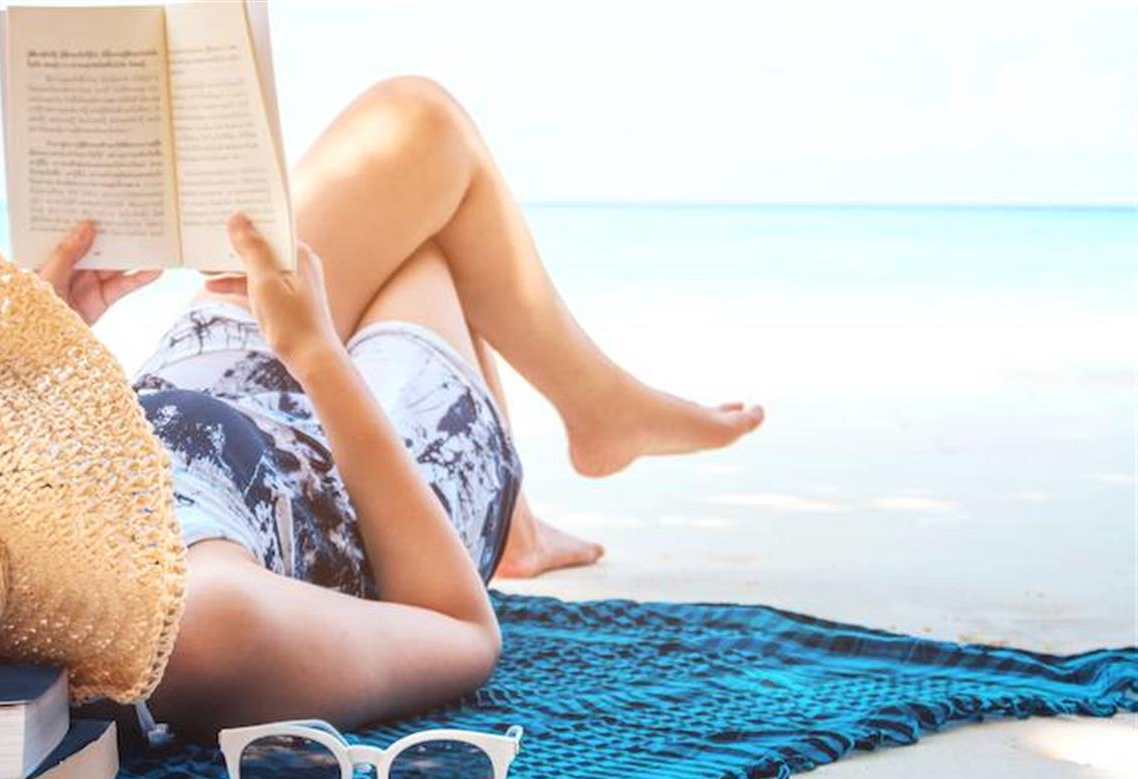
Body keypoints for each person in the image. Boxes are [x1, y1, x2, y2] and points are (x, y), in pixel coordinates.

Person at [37, 78, 764, 737]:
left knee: (417, 133)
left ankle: (580, 439)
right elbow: (461, 632)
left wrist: (42, 350)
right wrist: (319, 357)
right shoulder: (207, 622)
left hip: (209, 389)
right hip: (378, 499)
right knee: (426, 242)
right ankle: (559, 469)